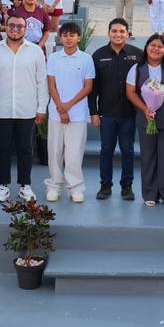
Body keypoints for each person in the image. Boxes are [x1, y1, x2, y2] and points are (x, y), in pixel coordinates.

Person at [0, 14, 48, 203]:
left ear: (25, 29)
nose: (15, 29)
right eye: (11, 25)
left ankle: (25, 186)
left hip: (27, 108)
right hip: (1, 107)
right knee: (3, 148)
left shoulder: (35, 51)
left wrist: (42, 108)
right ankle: (3, 185)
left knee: (25, 148)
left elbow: (42, 81)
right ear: (5, 27)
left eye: (19, 26)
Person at [125, 33, 164, 206]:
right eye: (152, 45)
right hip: (145, 118)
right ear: (146, 47)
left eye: (160, 46)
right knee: (148, 156)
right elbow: (130, 92)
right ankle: (150, 194)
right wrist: (145, 108)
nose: (156, 49)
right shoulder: (137, 68)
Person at [89, 18, 141, 201]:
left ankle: (127, 187)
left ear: (128, 33)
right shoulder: (98, 55)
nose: (118, 34)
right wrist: (93, 112)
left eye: (122, 31)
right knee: (106, 150)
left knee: (128, 151)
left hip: (129, 114)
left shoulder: (138, 55)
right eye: (114, 31)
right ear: (108, 33)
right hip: (107, 114)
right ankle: (105, 186)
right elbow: (93, 88)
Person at [45, 22, 94, 203]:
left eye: (72, 35)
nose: (68, 38)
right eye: (65, 35)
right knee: (54, 151)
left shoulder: (86, 59)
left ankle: (75, 188)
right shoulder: (54, 58)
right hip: (55, 113)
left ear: (79, 37)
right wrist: (60, 107)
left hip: (78, 113)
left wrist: (68, 106)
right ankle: (54, 186)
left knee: (74, 153)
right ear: (60, 37)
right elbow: (51, 85)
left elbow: (87, 87)